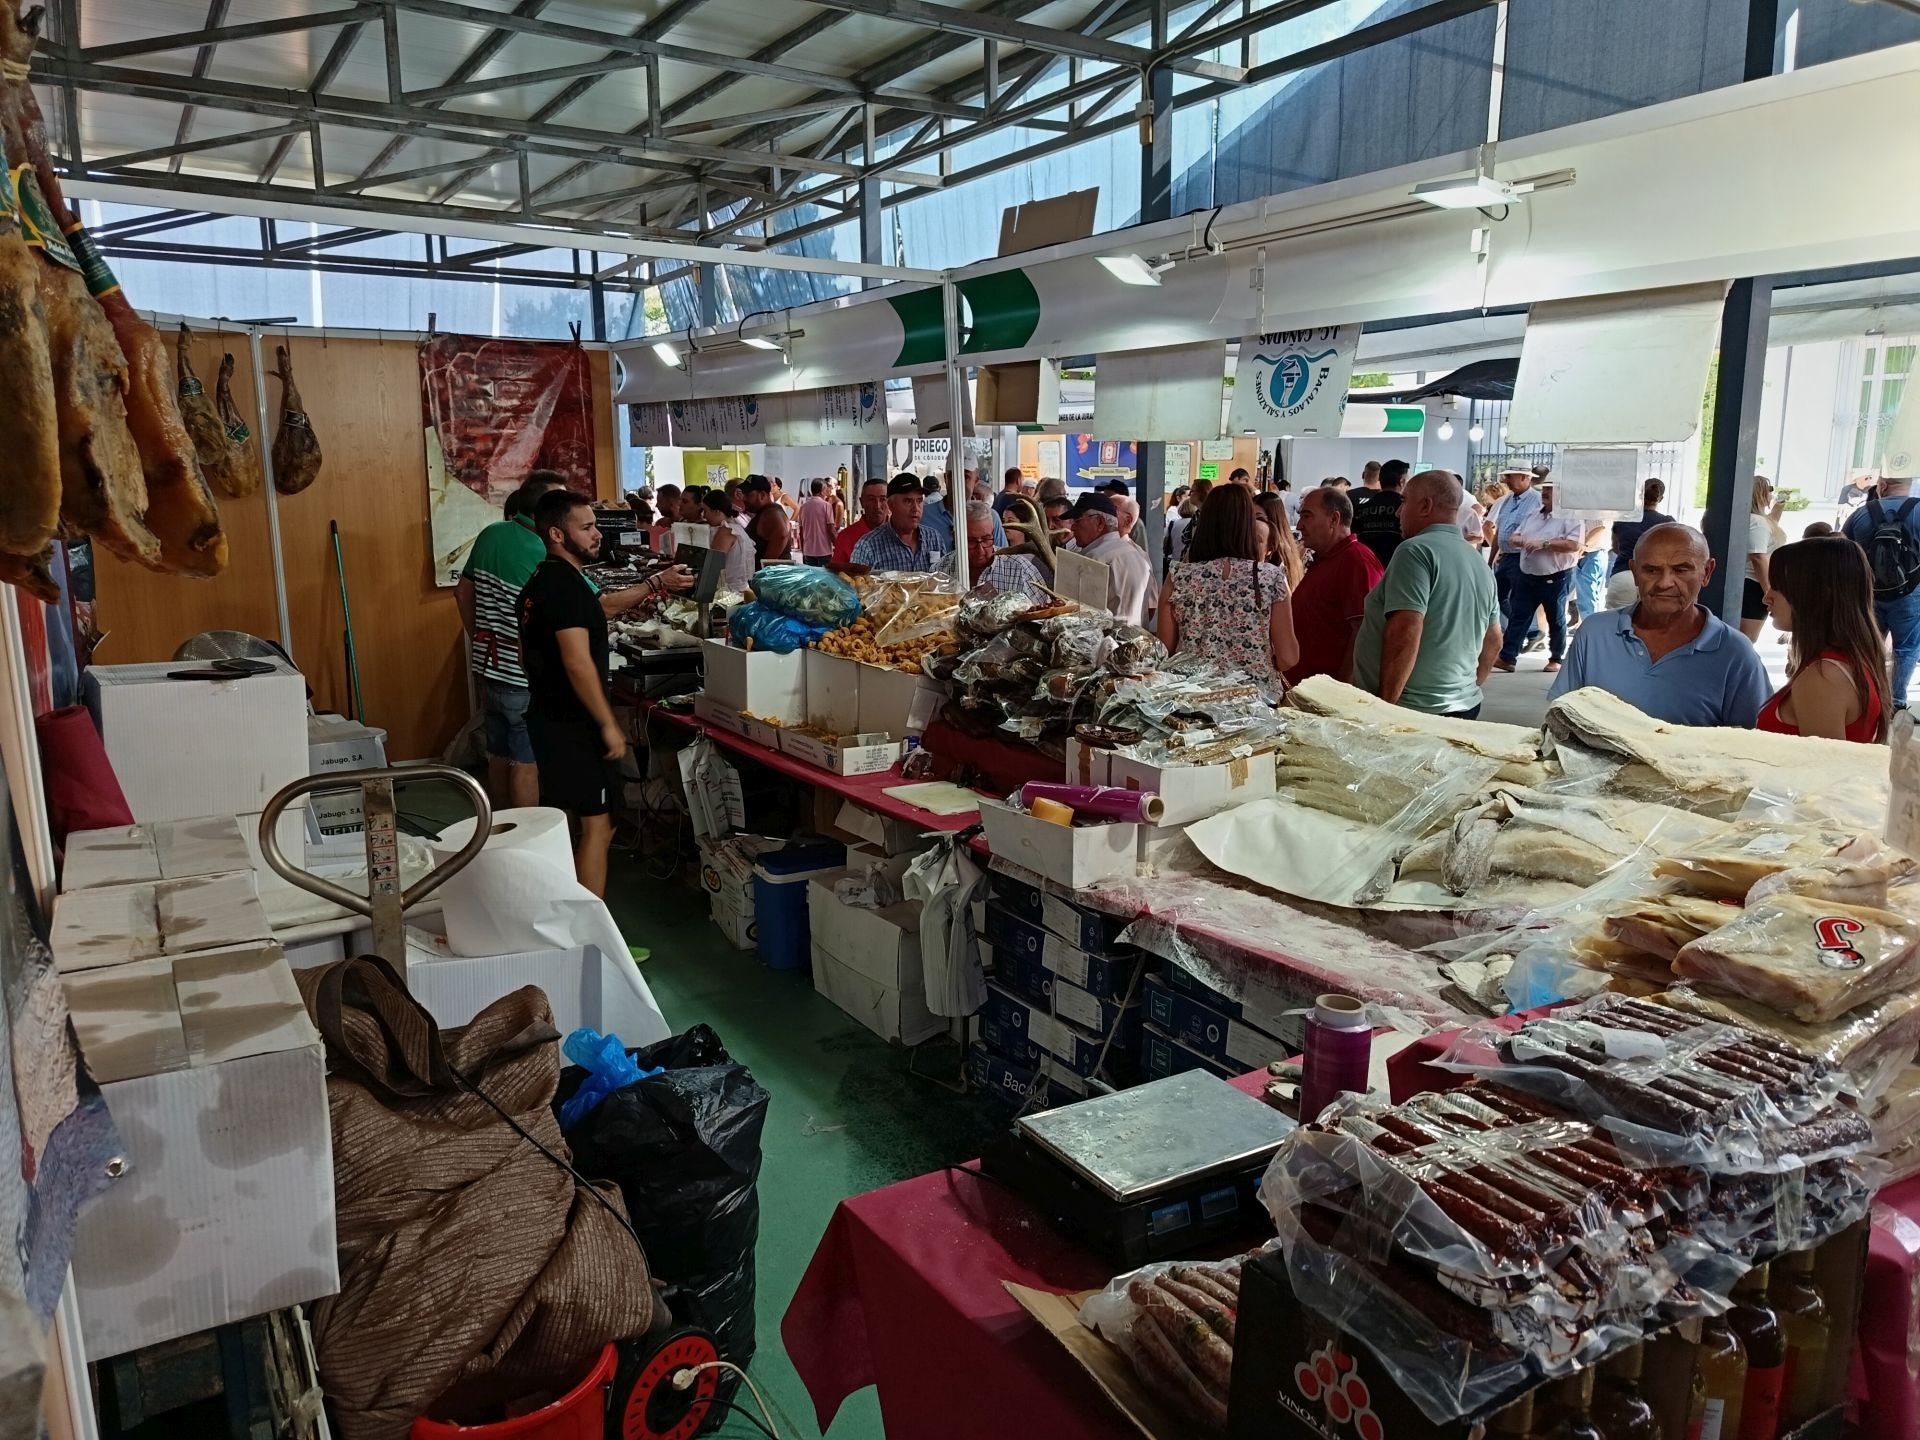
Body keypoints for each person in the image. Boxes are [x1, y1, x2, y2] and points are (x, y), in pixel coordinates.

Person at [518, 491, 692, 895]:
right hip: (574, 725)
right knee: (600, 825)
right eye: (587, 527)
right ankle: (591, 938)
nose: (598, 534)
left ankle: (569, 919)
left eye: (596, 524)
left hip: (548, 715)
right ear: (558, 534)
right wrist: (606, 723)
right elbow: (577, 662)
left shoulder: (545, 579)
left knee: (576, 822)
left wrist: (654, 583)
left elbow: (603, 608)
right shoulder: (565, 588)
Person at [1549, 524, 1771, 728]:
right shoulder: (1595, 634)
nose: (1665, 583)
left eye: (1681, 570)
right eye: (1651, 570)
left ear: (1707, 572)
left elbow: (1753, 743)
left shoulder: (1734, 652)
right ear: (1634, 572)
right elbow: (1561, 718)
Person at [456, 469, 569, 810]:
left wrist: (480, 635)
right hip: (523, 672)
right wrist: (653, 585)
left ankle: (502, 831)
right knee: (526, 761)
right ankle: (527, 845)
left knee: (499, 753)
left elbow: (463, 591)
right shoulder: (540, 550)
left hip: (490, 666)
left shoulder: (491, 534)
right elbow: (596, 604)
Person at [1352, 470, 1503, 719]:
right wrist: (1466, 689)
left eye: (1404, 502)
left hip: (1415, 710)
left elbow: (1406, 629)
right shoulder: (1476, 561)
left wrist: (1384, 708)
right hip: (1463, 704)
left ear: (1425, 506)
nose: (1398, 512)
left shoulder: (1415, 551)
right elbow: (1494, 639)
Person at [1156, 485, 1297, 690]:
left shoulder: (1179, 576)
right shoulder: (1271, 577)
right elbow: (1288, 657)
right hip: (1255, 702)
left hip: (1191, 695)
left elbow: (1164, 649)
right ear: (1248, 525)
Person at [1757, 537, 1888, 742]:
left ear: (1815, 595)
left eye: (1778, 587)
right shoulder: (1848, 661)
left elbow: (1825, 770)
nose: (1767, 597)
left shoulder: (1824, 676)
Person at [1285, 485, 1384, 687]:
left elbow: (1364, 633)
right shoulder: (1328, 557)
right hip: (1305, 687)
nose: (1300, 525)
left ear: (1334, 519)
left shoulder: (1356, 560)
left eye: (1307, 516)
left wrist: (1341, 690)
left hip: (1327, 693)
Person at [1841, 472, 1920, 709]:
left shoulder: (1863, 513)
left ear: (1883, 485)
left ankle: (1866, 698)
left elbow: (1843, 548)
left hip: (1870, 593)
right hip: (1911, 595)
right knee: (1906, 649)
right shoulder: (1918, 511)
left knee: (1866, 645)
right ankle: (1895, 703)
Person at [1493, 481, 1585, 673]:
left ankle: (1556, 658)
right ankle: (1508, 657)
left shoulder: (1571, 517)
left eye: (1550, 490)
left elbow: (1574, 544)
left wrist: (1545, 543)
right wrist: (1523, 540)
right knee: (1519, 615)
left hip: (1556, 577)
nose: (1545, 493)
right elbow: (1514, 537)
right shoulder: (1533, 514)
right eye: (1544, 489)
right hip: (1528, 574)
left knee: (1556, 618)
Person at [1065, 493, 1154, 624]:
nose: (1072, 527)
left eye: (1077, 521)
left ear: (1100, 522)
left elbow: (1078, 617)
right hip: (1138, 640)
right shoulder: (1139, 555)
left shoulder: (1092, 558)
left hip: (1106, 642)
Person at [1489, 466, 1544, 650]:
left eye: (1510, 477)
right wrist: (1491, 557)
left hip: (1522, 556)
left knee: (1519, 599)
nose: (1506, 481)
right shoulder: (1507, 501)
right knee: (1497, 596)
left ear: (1524, 477)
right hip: (1505, 557)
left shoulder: (1536, 500)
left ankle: (1522, 636)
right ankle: (1530, 631)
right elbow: (1498, 530)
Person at [852, 473, 949, 573]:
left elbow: (945, 579)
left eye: (919, 500)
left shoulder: (934, 538)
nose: (916, 508)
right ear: (891, 505)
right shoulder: (868, 546)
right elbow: (854, 586)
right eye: (908, 501)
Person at [967, 501, 1047, 595]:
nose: (980, 550)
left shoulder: (1021, 570)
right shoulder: (946, 565)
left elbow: (1045, 607)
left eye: (986, 539)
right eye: (971, 541)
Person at [1742, 475, 1786, 642]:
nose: (1771, 494)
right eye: (1769, 489)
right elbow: (1758, 557)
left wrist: (1778, 509)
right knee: (1748, 638)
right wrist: (1768, 589)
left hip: (1752, 584)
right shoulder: (1757, 522)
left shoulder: (1757, 521)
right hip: (1754, 584)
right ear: (1760, 494)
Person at [1610, 478, 1675, 576]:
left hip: (1622, 574)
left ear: (1639, 495)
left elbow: (1616, 549)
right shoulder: (1668, 523)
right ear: (1660, 498)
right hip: (1653, 577)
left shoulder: (1623, 519)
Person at [1352, 458, 1408, 565]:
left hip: (1364, 565)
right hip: (1394, 567)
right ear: (1402, 481)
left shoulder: (1362, 509)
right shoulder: (1405, 509)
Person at [829, 475, 888, 574]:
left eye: (883, 499)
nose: (877, 506)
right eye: (871, 499)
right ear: (862, 502)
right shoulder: (846, 537)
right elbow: (837, 576)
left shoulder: (898, 534)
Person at [703, 490, 756, 593]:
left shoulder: (725, 531)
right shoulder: (737, 528)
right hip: (744, 590)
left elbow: (713, 566)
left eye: (706, 511)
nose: (704, 516)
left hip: (730, 594)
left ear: (717, 511)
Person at [1254, 491, 1306, 591]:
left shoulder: (1279, 556)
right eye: (1249, 517)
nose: (1253, 522)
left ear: (1273, 518)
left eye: (1259, 517)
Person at [741, 475, 792, 564]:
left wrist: (766, 566)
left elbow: (782, 534)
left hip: (771, 576)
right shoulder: (766, 512)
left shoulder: (772, 513)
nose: (744, 498)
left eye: (748, 494)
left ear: (762, 495)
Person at [798, 479, 837, 566]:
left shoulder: (803, 507)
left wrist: (803, 550)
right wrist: (838, 545)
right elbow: (831, 530)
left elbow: (801, 531)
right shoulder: (826, 506)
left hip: (808, 551)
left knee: (810, 578)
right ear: (822, 491)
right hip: (824, 551)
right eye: (826, 490)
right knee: (824, 578)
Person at [647, 483, 680, 557]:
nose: (656, 505)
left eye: (660, 501)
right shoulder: (661, 523)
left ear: (670, 502)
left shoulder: (687, 525)